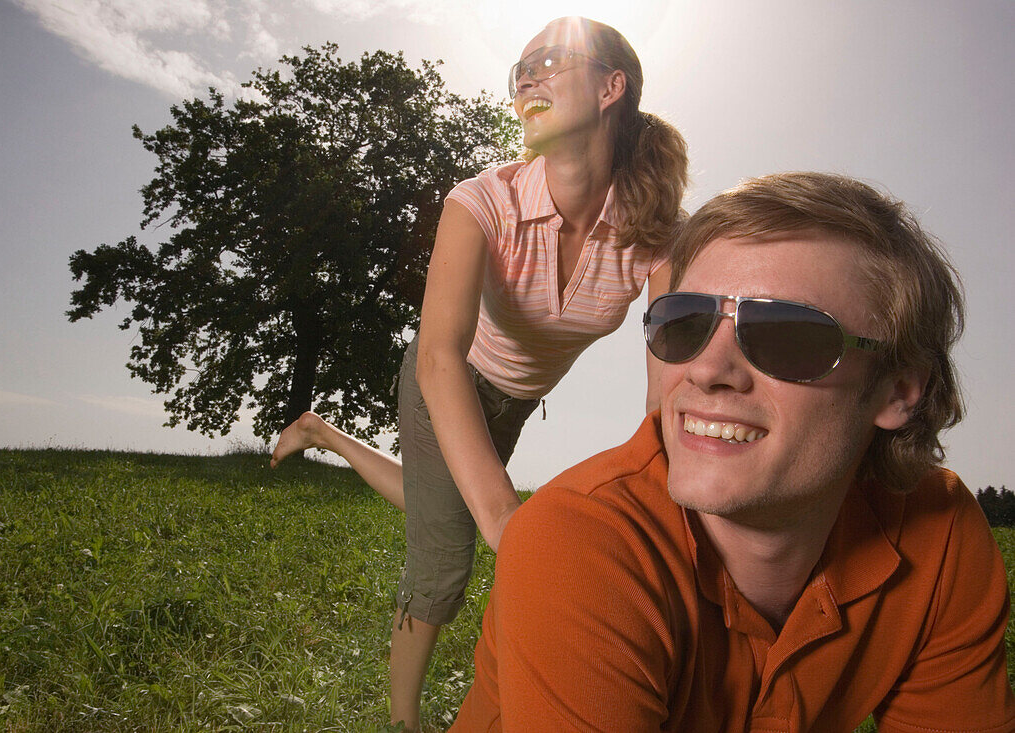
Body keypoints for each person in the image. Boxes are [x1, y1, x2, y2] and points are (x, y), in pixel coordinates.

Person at [450, 171, 1015, 731]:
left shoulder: (938, 534)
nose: (705, 370)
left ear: (898, 391)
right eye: (685, 323)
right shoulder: (576, 542)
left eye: (786, 335)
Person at [269, 16, 689, 731]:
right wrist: (508, 521)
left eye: (550, 62)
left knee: (442, 505)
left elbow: (666, 387)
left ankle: (325, 435)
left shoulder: (657, 233)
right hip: (447, 381)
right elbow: (437, 358)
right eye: (519, 70)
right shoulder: (481, 201)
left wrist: (669, 501)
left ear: (611, 87)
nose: (526, 77)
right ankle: (402, 719)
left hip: (519, 402)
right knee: (446, 558)